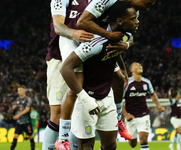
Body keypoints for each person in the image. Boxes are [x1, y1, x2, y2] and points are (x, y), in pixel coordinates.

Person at [60, 1, 139, 149]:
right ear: (120, 21)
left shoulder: (122, 38)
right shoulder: (95, 42)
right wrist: (85, 99)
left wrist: (123, 66)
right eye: (133, 19)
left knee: (110, 146)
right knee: (87, 147)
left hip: (107, 97)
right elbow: (65, 68)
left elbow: (117, 51)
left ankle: (118, 115)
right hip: (87, 100)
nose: (137, 21)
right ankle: (62, 138)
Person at [77, 0, 157, 139]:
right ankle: (63, 136)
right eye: (148, 4)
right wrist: (108, 35)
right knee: (75, 84)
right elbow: (82, 22)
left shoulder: (133, 10)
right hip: (81, 41)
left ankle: (119, 117)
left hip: (103, 47)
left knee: (119, 78)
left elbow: (128, 37)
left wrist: (125, 46)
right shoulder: (106, 1)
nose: (148, 9)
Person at [42, 0, 94, 150]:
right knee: (58, 114)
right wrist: (74, 33)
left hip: (84, 61)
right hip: (59, 60)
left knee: (78, 115)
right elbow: (58, 26)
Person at [122, 62, 165, 150]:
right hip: (131, 116)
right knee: (133, 144)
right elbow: (119, 100)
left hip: (144, 115)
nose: (140, 65)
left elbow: (152, 94)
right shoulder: (127, 83)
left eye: (140, 65)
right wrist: (126, 115)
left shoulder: (146, 82)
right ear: (131, 70)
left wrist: (159, 105)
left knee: (144, 139)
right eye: (136, 65)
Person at [10, 85, 35, 150]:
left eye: (20, 90)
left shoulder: (28, 99)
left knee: (31, 137)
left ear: (24, 91)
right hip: (19, 122)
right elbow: (16, 106)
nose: (19, 92)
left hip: (27, 122)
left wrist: (18, 115)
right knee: (15, 136)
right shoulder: (17, 99)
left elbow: (27, 109)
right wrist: (14, 107)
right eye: (18, 90)